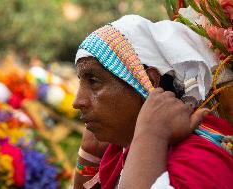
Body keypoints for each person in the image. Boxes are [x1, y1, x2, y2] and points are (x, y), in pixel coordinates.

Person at [73, 15, 233, 189]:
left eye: (94, 81)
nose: (77, 101)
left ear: (149, 81)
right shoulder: (122, 151)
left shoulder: (199, 160)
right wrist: (88, 154)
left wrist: (152, 136)